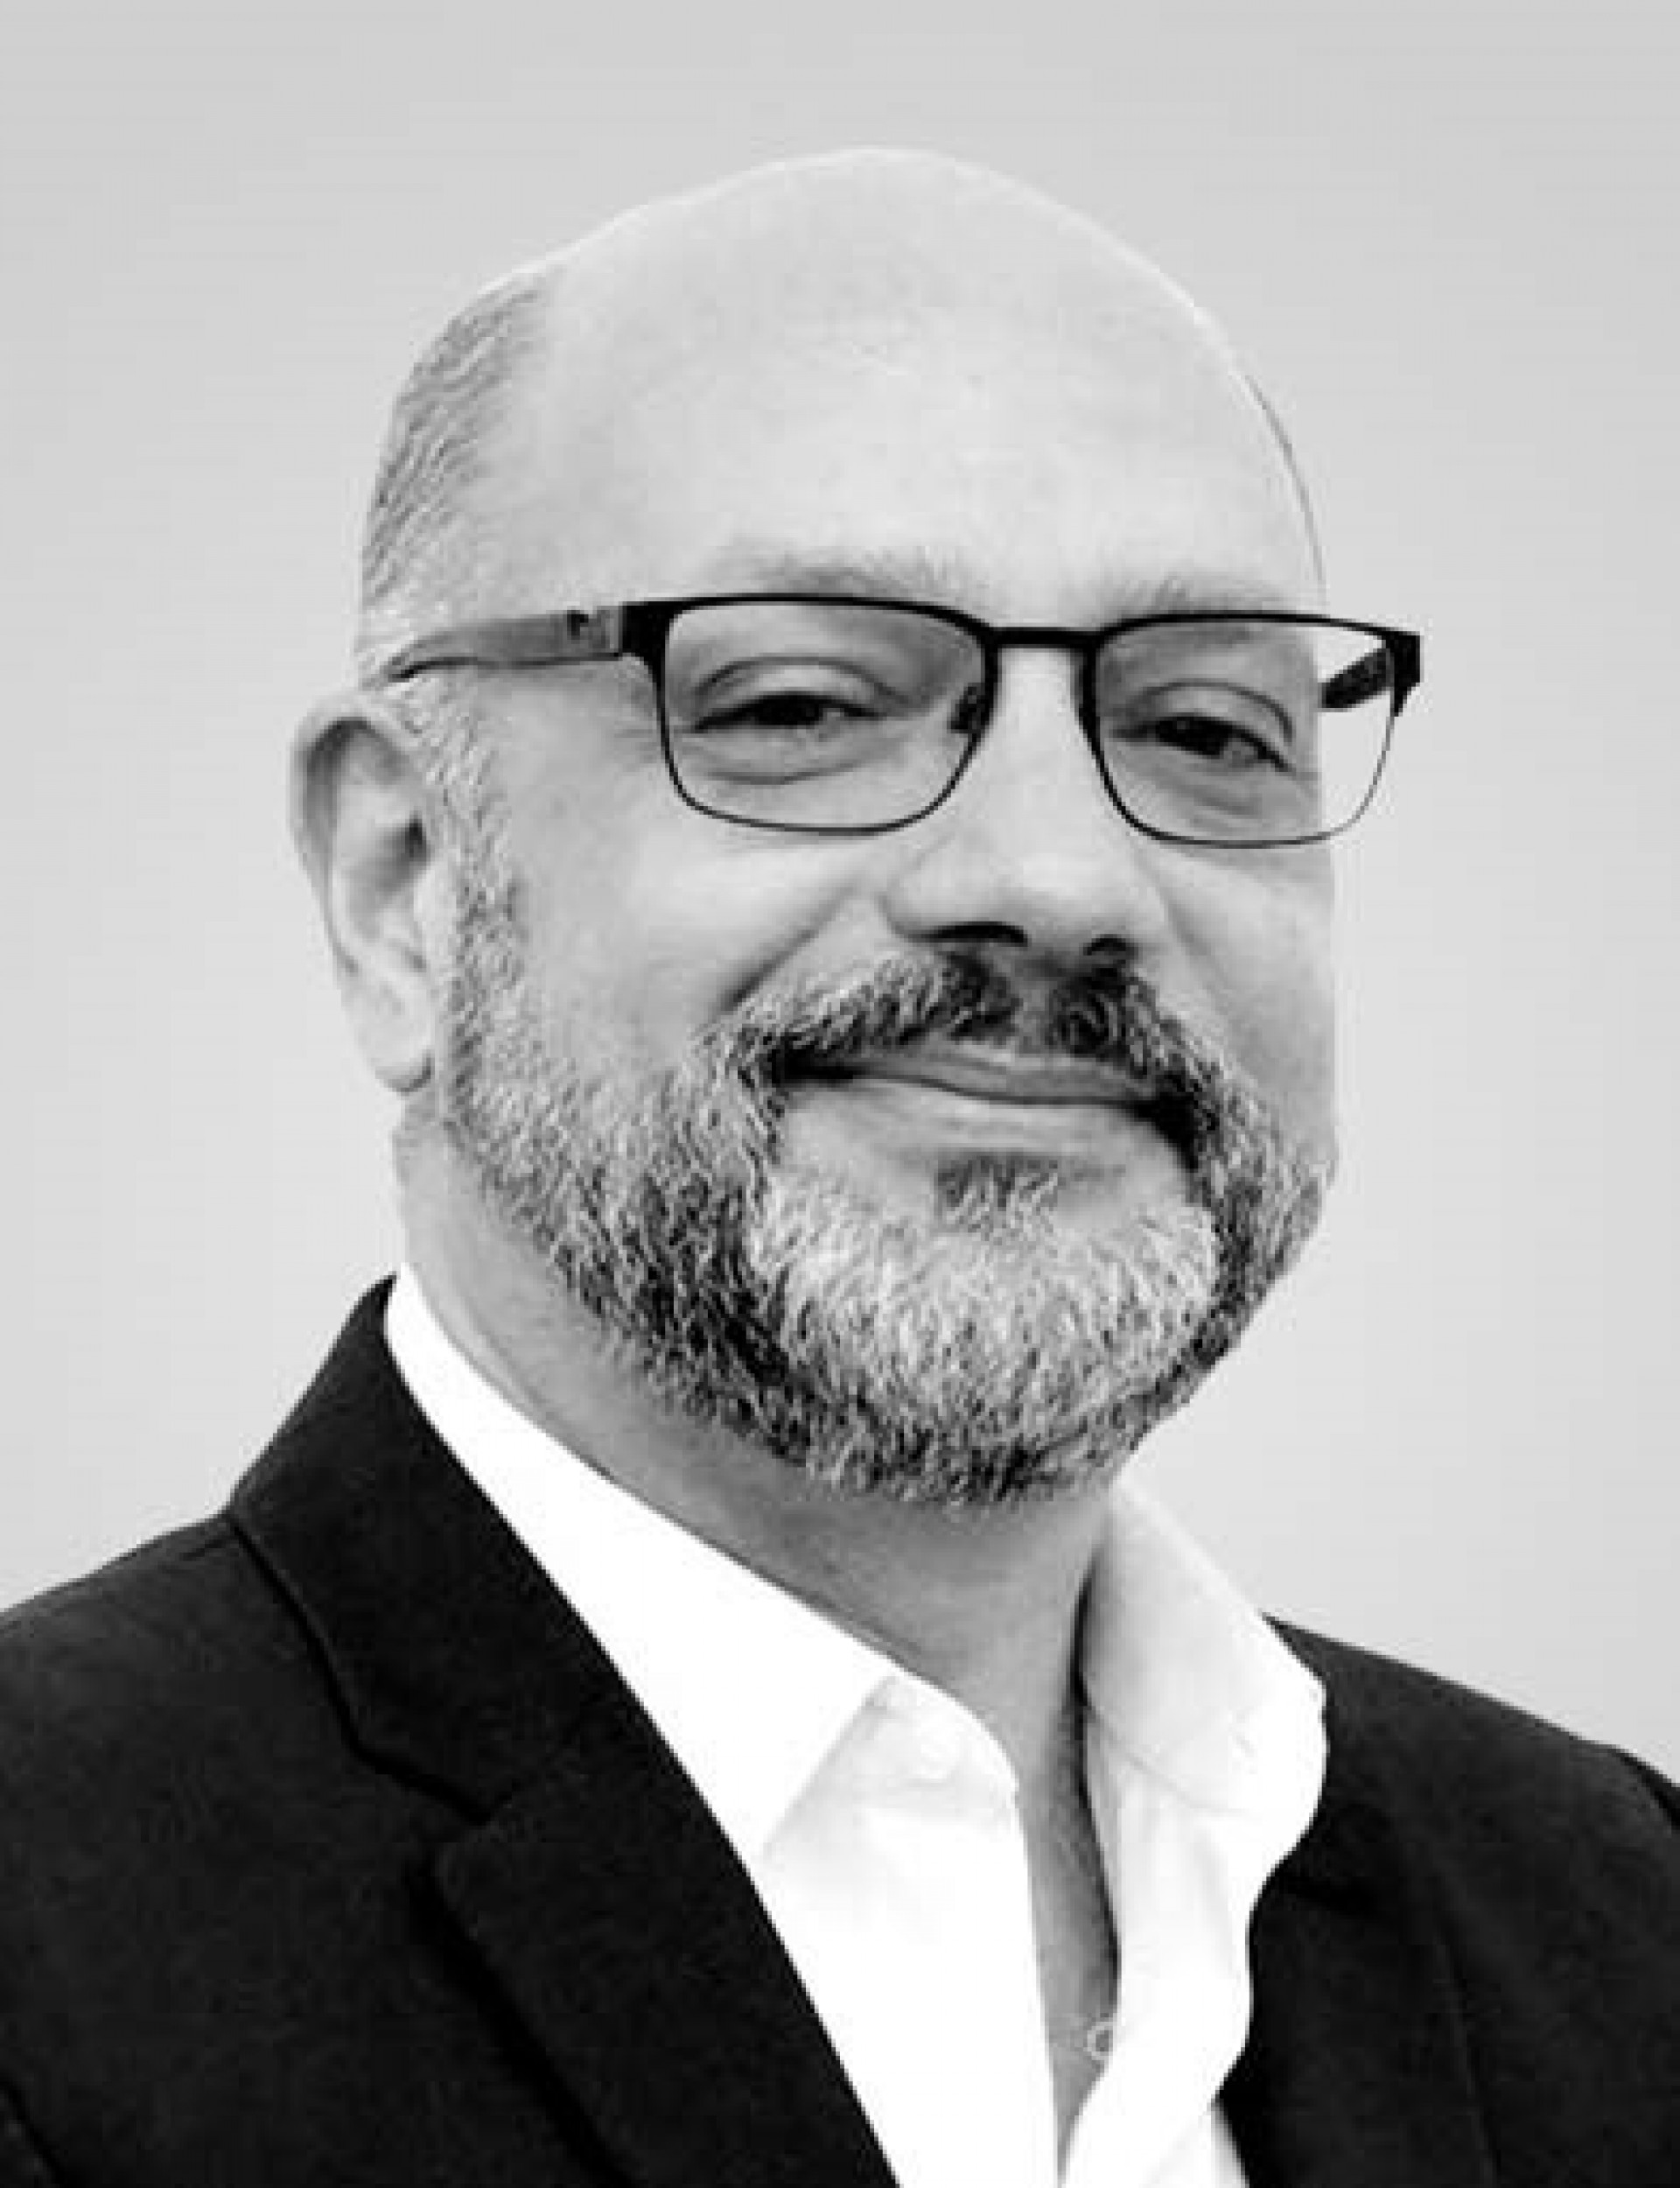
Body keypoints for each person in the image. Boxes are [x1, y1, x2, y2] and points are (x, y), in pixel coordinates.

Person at [0, 150, 1672, 2188]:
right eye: (803, 703)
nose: (1056, 872)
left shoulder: (1619, 1924)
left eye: (1208, 729)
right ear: (405, 885)